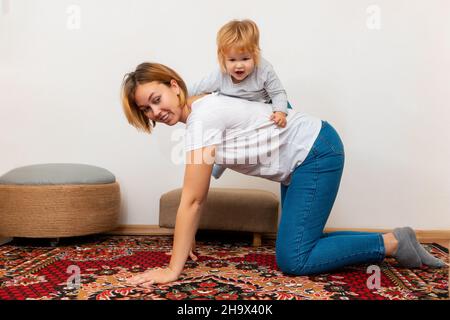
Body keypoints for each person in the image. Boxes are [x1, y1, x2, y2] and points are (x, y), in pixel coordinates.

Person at [121, 62, 446, 287]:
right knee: (301, 245)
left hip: (315, 152)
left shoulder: (202, 118)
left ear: (174, 86)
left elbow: (192, 199)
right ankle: (397, 239)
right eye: (146, 110)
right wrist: (187, 235)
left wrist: (171, 269)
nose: (155, 113)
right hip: (303, 158)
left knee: (295, 260)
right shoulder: (203, 110)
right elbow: (199, 185)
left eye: (156, 99)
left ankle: (390, 243)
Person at [189, 19, 292, 179]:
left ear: (256, 54)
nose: (239, 66)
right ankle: (219, 165)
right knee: (223, 132)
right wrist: (179, 95)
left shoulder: (264, 70)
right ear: (222, 59)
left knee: (258, 134)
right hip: (235, 111)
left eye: (245, 59)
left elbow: (278, 93)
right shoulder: (219, 75)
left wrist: (280, 112)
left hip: (264, 105)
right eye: (232, 60)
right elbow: (196, 88)